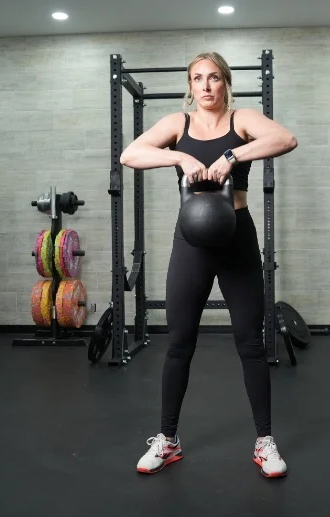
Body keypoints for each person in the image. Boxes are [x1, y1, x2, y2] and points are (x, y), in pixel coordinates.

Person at [119, 51, 298, 478]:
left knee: (250, 343)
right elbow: (131, 154)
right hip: (192, 241)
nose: (206, 86)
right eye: (197, 78)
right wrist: (179, 157)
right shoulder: (176, 125)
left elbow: (286, 139)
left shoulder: (243, 120)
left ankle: (264, 441)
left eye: (214, 78)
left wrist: (232, 157)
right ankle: (168, 439)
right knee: (179, 342)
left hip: (236, 235)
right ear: (190, 85)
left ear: (226, 83)